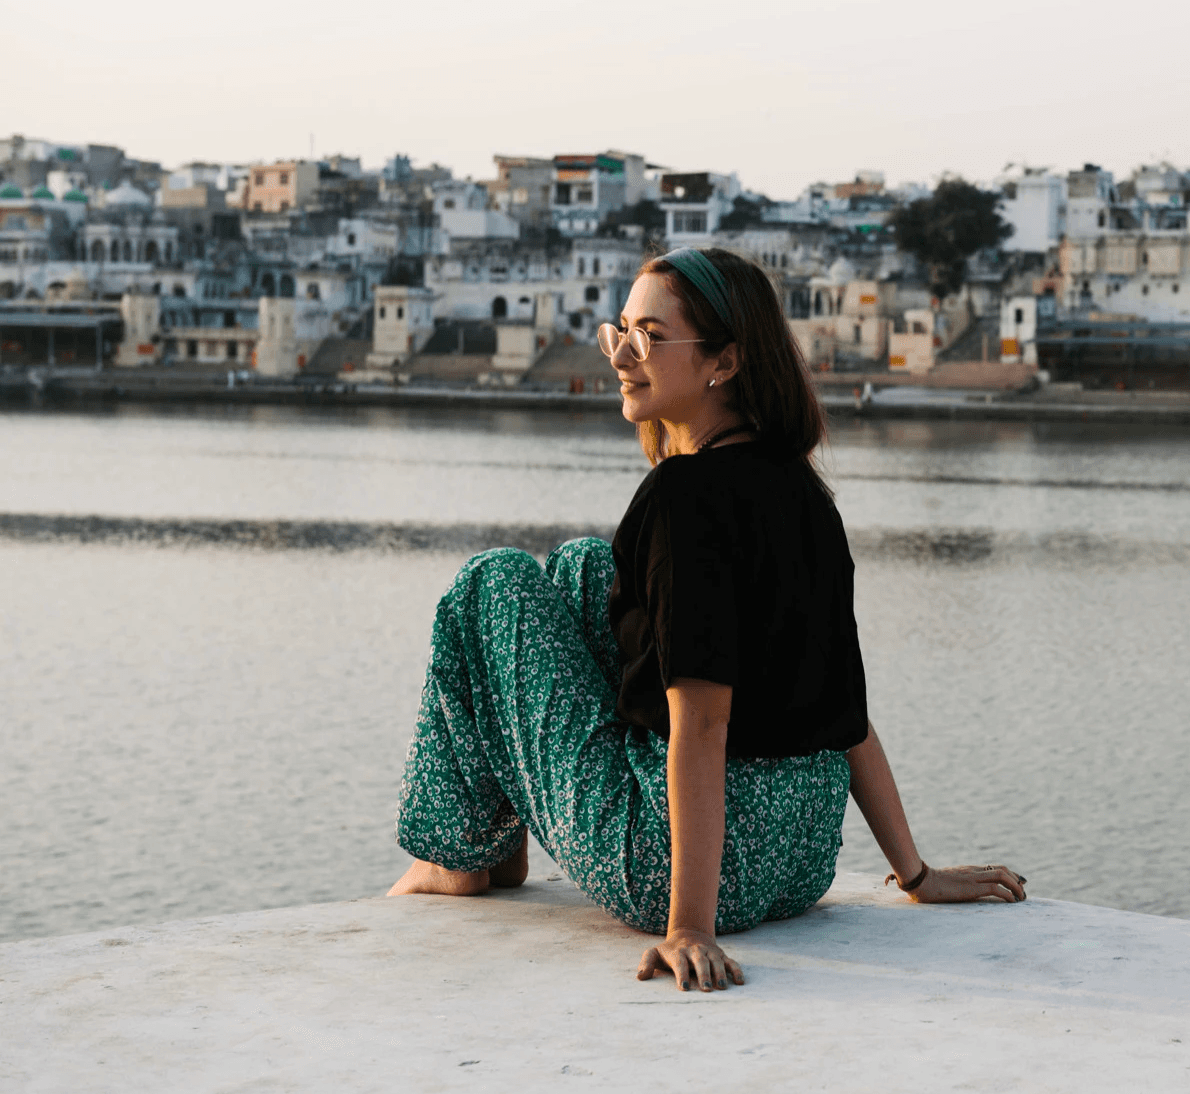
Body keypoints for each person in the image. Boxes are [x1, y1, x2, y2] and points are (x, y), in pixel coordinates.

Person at [389, 247, 1026, 993]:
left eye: (650, 338)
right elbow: (845, 714)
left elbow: (702, 724)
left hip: (683, 869)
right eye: (621, 331)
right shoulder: (808, 497)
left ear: (724, 360)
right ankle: (497, 845)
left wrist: (689, 924)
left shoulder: (683, 499)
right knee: (583, 569)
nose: (621, 355)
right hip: (800, 860)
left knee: (491, 581)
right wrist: (915, 873)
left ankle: (458, 856)